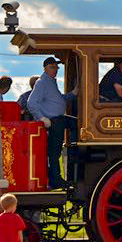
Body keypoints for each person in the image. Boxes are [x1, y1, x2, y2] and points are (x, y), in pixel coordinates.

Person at [27, 57, 78, 189]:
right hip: (53, 121)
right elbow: (31, 103)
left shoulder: (51, 82)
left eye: (56, 68)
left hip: (59, 119)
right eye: (52, 67)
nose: (55, 70)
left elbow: (58, 99)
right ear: (45, 68)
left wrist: (72, 94)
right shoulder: (42, 82)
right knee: (55, 153)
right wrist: (42, 118)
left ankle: (74, 147)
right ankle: (56, 180)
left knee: (77, 124)